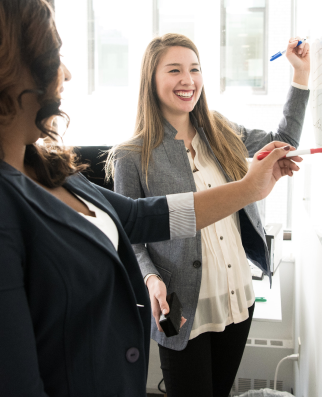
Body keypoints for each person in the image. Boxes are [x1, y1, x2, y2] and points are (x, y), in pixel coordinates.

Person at [0, 0, 299, 397]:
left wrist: (249, 188)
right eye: (54, 54)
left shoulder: (44, 167)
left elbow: (142, 216)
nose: (66, 73)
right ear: (2, 67)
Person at [109, 33, 310, 397]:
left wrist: (301, 76)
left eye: (194, 69)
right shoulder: (131, 155)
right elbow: (129, 235)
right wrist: (151, 277)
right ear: (151, 80)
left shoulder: (222, 131)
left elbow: (284, 140)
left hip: (237, 297)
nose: (188, 80)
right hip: (182, 307)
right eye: (174, 70)